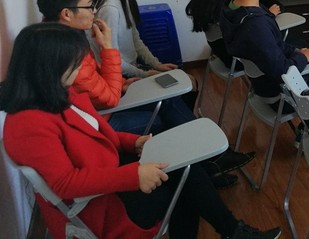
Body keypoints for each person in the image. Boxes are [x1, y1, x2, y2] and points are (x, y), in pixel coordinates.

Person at [0, 23, 282, 239]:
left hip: (109, 172)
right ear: (48, 67)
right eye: (74, 63)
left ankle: (233, 231)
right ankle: (233, 231)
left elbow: (99, 133)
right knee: (184, 187)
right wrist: (134, 175)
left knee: (186, 168)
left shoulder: (61, 93)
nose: (79, 68)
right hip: (99, 202)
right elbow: (66, 184)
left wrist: (133, 142)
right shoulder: (27, 124)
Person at [37, 0, 254, 189]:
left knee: (173, 99)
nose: (94, 11)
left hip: (108, 100)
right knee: (169, 119)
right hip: (104, 120)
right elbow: (109, 99)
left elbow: (101, 75)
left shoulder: (66, 36)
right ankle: (206, 168)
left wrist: (129, 79)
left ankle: (208, 165)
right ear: (67, 13)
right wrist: (109, 49)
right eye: (89, 6)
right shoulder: (65, 52)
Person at [185, 0, 283, 69]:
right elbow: (247, 28)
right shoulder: (223, 1)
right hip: (234, 60)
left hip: (219, 51)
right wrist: (270, 14)